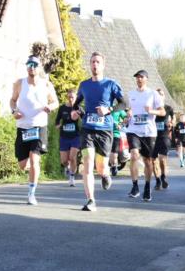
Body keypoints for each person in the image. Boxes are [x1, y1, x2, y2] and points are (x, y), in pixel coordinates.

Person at [72, 52, 124, 212]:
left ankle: (105, 174)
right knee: (87, 163)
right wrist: (77, 112)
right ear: (90, 64)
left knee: (100, 166)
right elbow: (76, 104)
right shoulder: (84, 85)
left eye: (98, 62)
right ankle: (90, 200)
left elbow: (124, 103)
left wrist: (108, 109)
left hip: (105, 130)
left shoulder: (110, 84)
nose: (95, 64)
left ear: (103, 65)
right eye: (93, 62)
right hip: (88, 129)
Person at [10, 55, 59, 205]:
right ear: (26, 67)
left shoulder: (46, 85)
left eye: (34, 64)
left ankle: (31, 193)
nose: (31, 66)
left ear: (39, 67)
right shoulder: (20, 83)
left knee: (34, 158)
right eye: (29, 64)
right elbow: (12, 100)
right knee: (23, 165)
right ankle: (33, 168)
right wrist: (14, 111)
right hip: (23, 127)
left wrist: (50, 107)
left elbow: (55, 101)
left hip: (39, 126)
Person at [125, 70, 166, 202]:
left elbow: (162, 112)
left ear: (146, 79)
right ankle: (135, 186)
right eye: (137, 77)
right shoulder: (131, 94)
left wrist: (151, 111)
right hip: (133, 130)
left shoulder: (153, 94)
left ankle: (147, 186)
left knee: (148, 161)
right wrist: (127, 116)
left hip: (149, 132)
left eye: (141, 77)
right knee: (134, 155)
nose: (139, 79)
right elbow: (128, 110)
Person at [56, 89, 81, 187]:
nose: (71, 99)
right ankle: (67, 167)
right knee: (64, 160)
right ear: (67, 97)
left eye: (73, 97)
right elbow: (57, 120)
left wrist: (79, 116)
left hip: (75, 137)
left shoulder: (78, 108)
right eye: (69, 97)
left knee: (72, 157)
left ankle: (72, 177)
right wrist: (57, 125)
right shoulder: (62, 108)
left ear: (76, 98)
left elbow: (84, 118)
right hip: (64, 137)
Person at [151, 87, 173, 190]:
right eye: (157, 94)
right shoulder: (151, 108)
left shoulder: (168, 108)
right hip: (152, 136)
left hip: (164, 136)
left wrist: (172, 123)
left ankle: (163, 177)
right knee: (153, 160)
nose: (159, 96)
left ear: (164, 96)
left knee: (162, 160)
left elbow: (173, 119)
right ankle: (158, 180)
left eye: (161, 94)